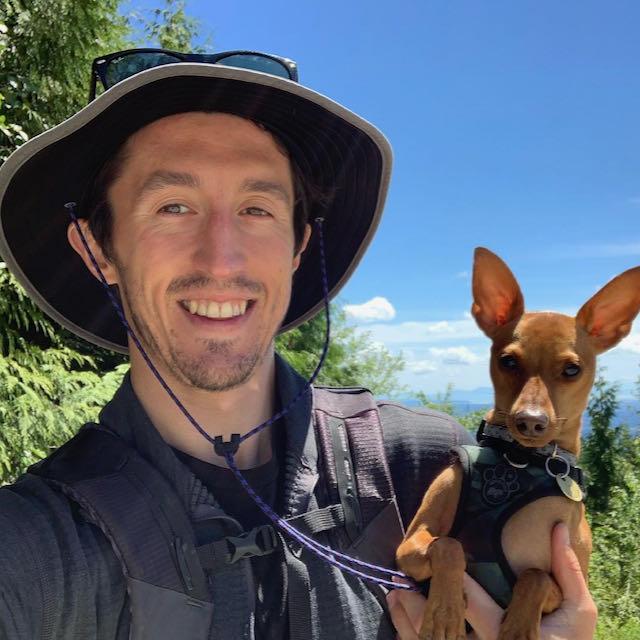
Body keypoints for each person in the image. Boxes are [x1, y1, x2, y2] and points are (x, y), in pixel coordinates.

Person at [0, 49, 596, 639]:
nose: (222, 258)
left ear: (298, 247)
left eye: (257, 208)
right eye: (172, 206)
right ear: (95, 247)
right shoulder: (39, 545)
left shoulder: (423, 464)